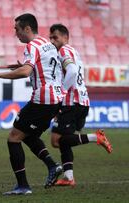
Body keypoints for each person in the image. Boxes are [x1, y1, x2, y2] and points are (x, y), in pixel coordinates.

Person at [0, 13, 64, 195]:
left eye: (17, 29)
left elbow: (26, 72)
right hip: (55, 99)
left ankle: (23, 186)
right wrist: (21, 67)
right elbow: (43, 68)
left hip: (42, 99)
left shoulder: (31, 46)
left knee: (13, 138)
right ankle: (53, 166)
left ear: (27, 29)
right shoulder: (46, 44)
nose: (15, 33)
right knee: (28, 135)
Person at [48, 24, 112, 187]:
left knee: (56, 140)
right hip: (82, 101)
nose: (52, 40)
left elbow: (73, 72)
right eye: (51, 37)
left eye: (55, 37)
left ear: (65, 38)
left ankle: (96, 137)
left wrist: (61, 92)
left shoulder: (63, 51)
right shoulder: (75, 52)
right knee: (63, 141)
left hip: (72, 102)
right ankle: (69, 178)